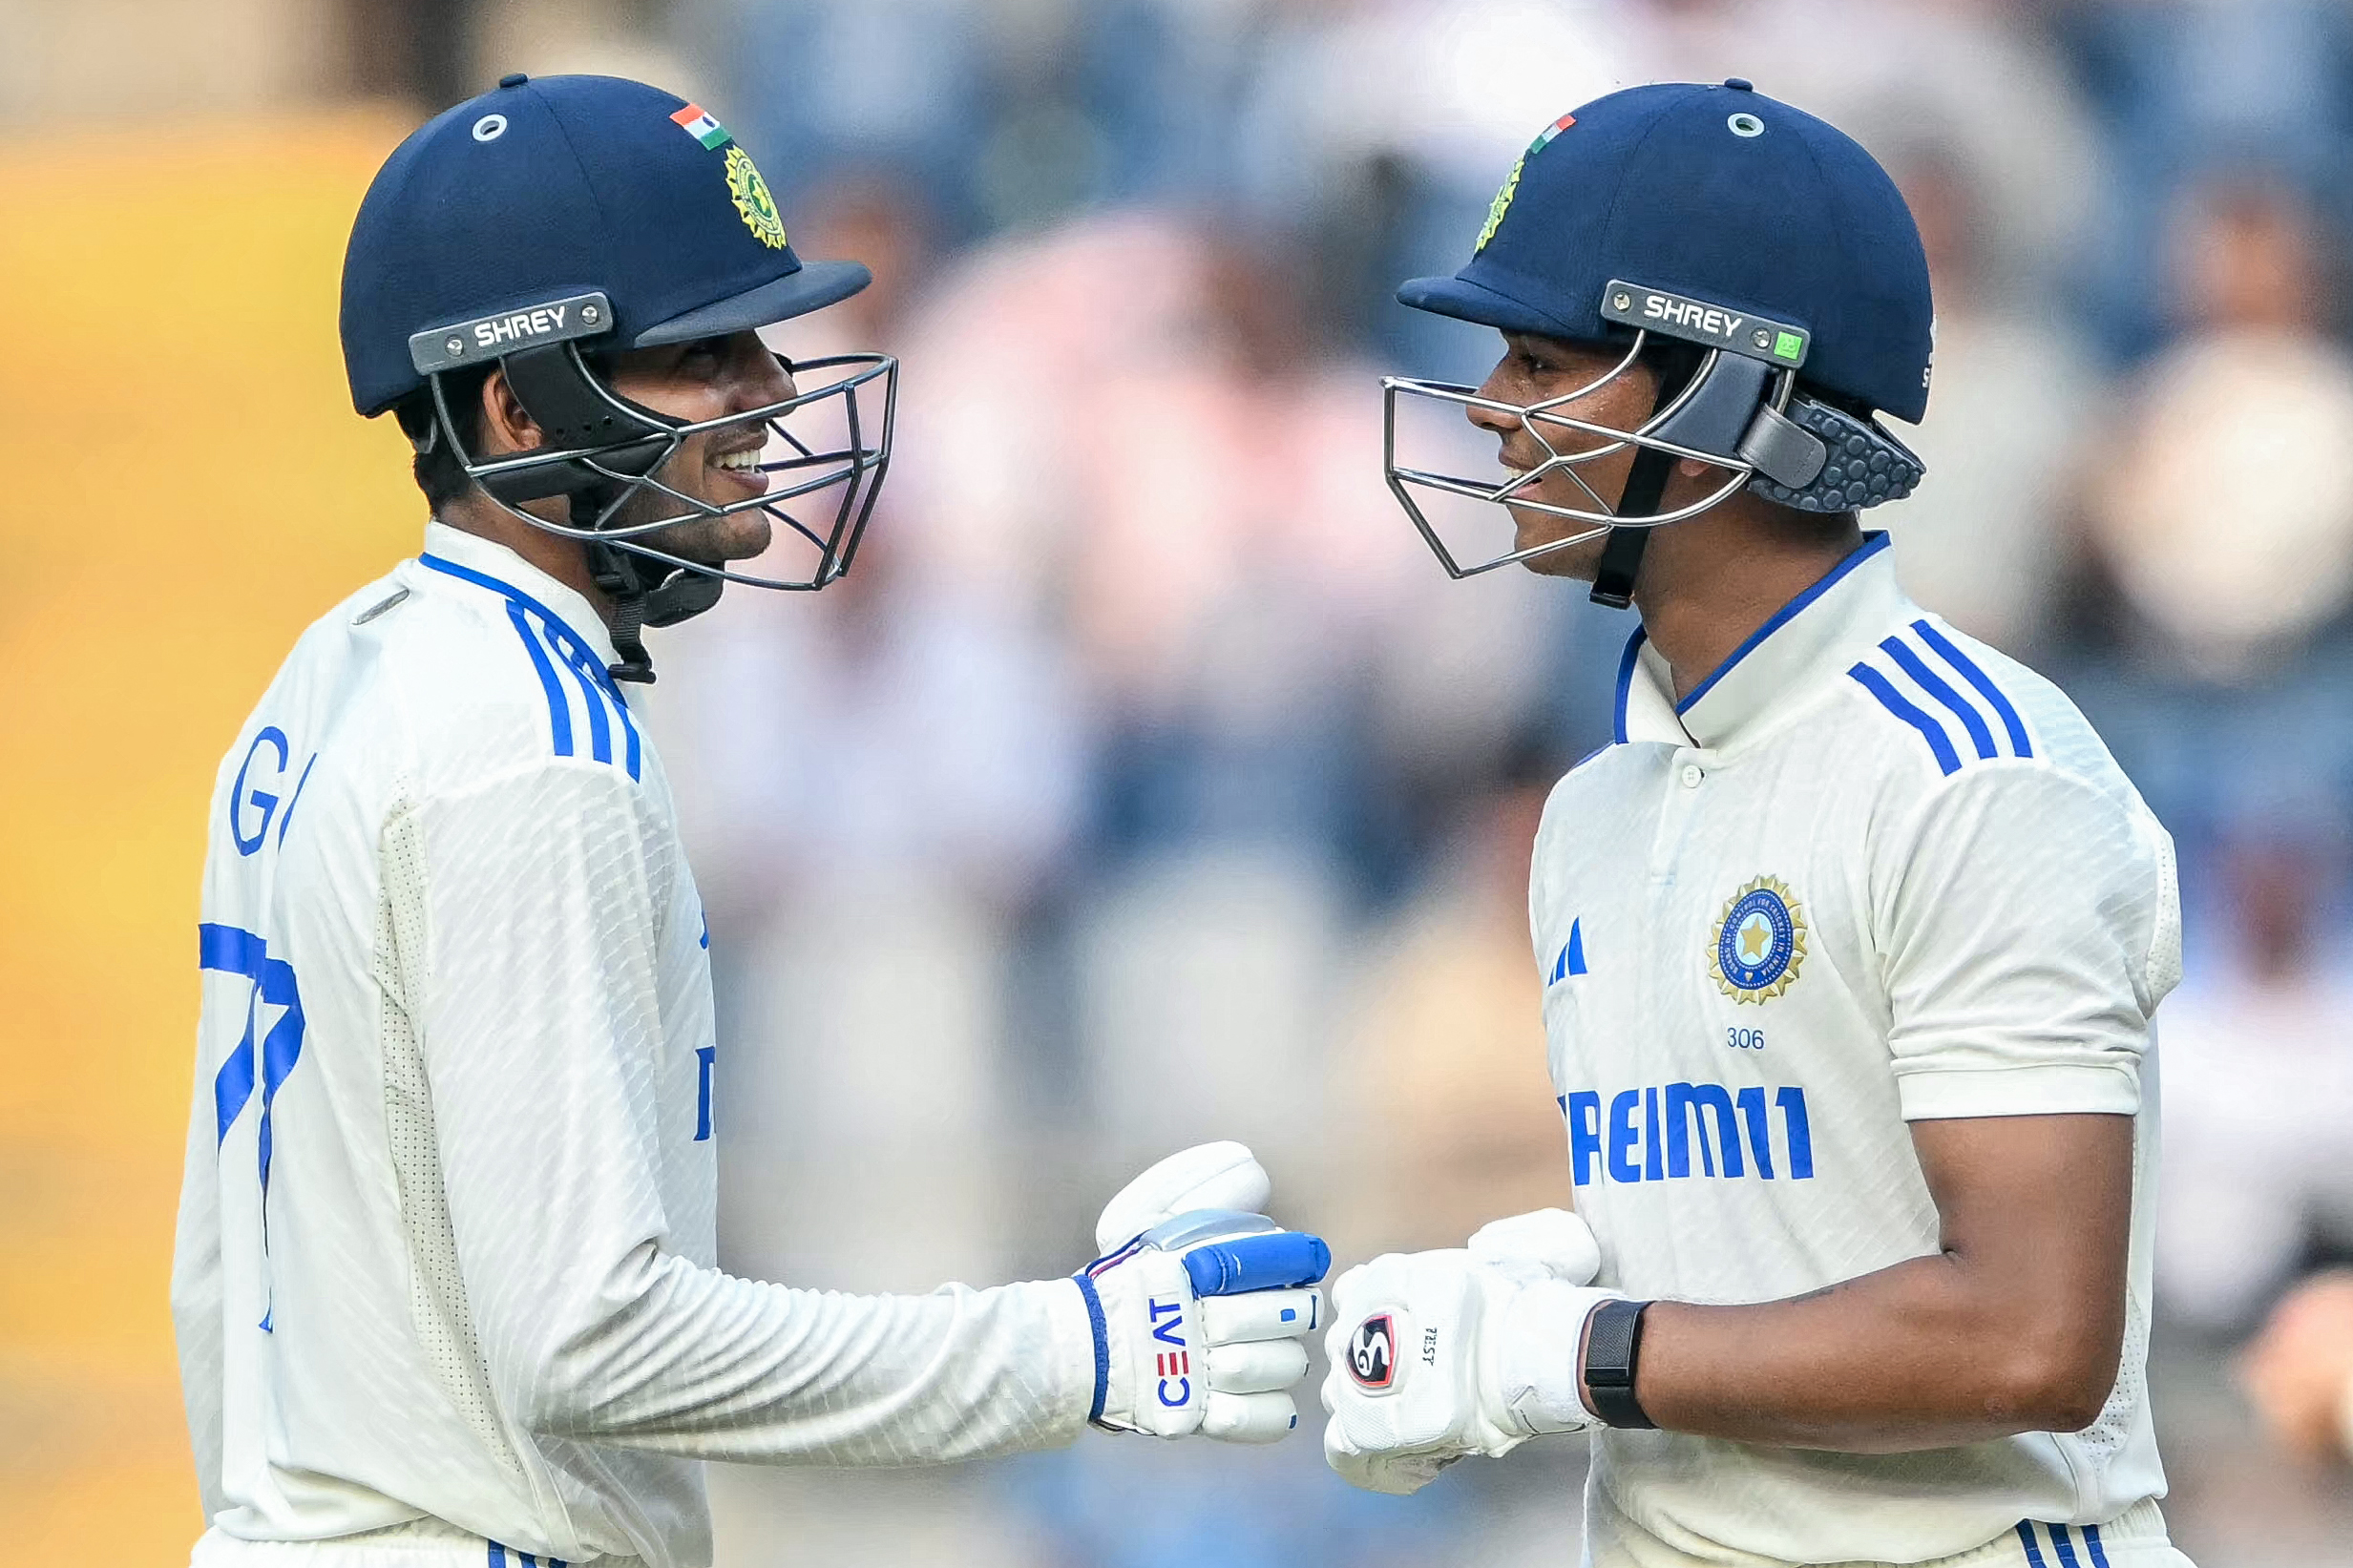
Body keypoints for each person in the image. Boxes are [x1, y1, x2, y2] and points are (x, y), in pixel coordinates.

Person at [170, 73, 1326, 1568]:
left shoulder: (333, 674)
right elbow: (591, 1340)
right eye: (700, 354)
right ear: (514, 404)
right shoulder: (526, 739)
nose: (772, 392)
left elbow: (220, 1272)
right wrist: (1077, 1352)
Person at [1323, 81, 2193, 1568]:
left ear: (1718, 401)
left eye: (1540, 360)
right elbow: (1739, 1264)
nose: (1486, 407)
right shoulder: (1594, 802)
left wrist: (1576, 1353)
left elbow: (2028, 1339)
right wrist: (1496, 1319)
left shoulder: (1972, 773)